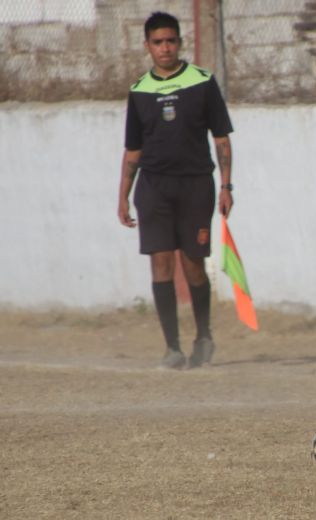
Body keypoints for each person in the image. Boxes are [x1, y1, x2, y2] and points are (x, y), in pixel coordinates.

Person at [117, 11, 234, 370]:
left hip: (196, 185)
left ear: (180, 43)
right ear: (147, 46)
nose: (165, 48)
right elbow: (133, 150)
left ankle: (203, 337)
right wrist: (122, 195)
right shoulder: (139, 91)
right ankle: (172, 349)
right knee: (160, 263)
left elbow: (222, 139)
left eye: (171, 41)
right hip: (153, 188)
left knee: (192, 264)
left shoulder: (202, 81)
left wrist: (227, 185)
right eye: (157, 42)